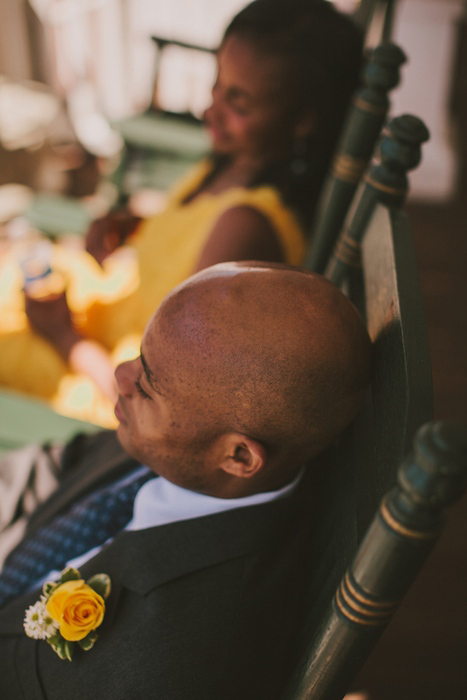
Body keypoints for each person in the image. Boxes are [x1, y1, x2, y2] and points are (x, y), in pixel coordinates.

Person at [0, 262, 372, 699]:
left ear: (237, 455)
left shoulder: (170, 662)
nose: (122, 374)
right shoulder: (178, 444)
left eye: (149, 382)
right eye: (140, 354)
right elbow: (64, 465)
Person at [0, 0, 363, 427]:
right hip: (101, 320)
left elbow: (167, 400)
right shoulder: (230, 165)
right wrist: (128, 226)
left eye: (239, 103)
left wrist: (63, 335)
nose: (210, 110)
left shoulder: (245, 225)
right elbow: (187, 232)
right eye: (215, 85)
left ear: (302, 122)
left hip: (107, 384)